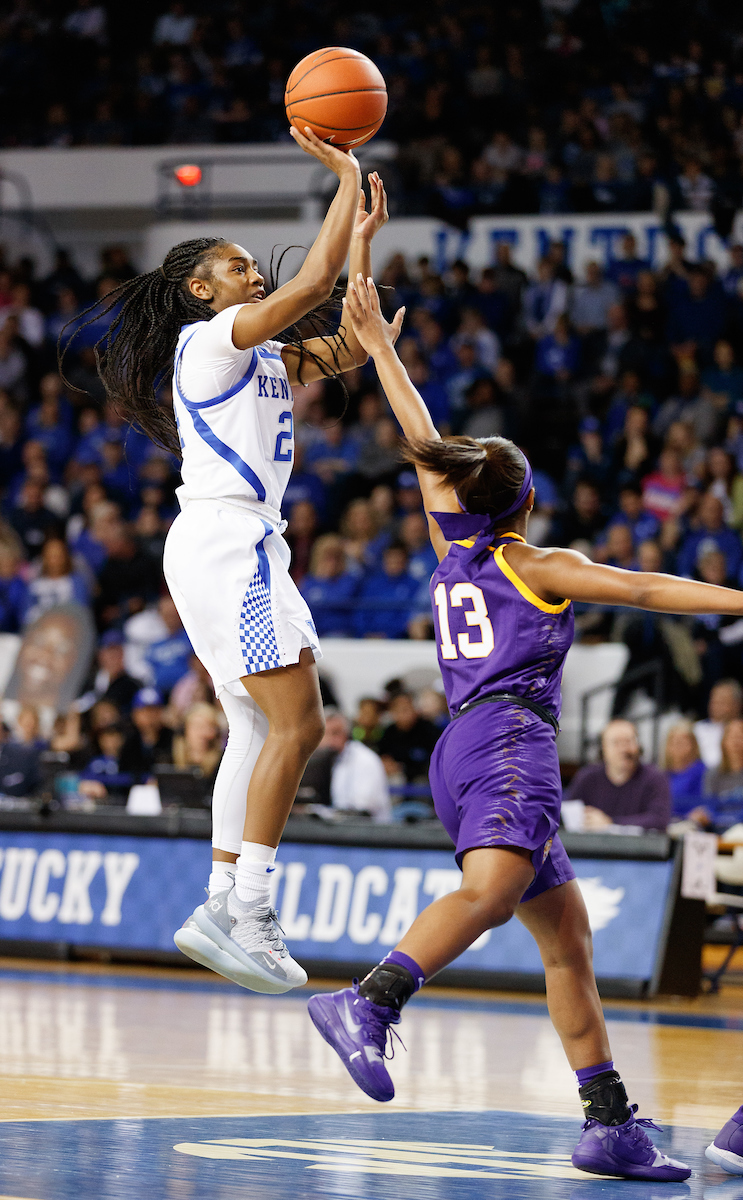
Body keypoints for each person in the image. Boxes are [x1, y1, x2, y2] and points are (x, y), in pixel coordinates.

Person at [307, 271, 743, 1183]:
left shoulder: (449, 546)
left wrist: (381, 351)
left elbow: (424, 444)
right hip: (510, 740)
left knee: (566, 940)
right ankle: (372, 1000)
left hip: (460, 745)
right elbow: (643, 587)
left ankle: (607, 1123)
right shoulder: (534, 564)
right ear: (526, 502)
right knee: (492, 894)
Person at [68, 126, 396, 996]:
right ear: (200, 288)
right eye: (238, 266)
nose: (254, 274)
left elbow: (349, 341)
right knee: (301, 725)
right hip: (229, 540)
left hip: (223, 543)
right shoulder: (210, 341)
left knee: (254, 729)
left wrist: (362, 240)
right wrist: (345, 178)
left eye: (255, 266)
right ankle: (250, 906)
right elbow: (312, 287)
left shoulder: (262, 354)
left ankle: (220, 899)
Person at [565, 719, 671, 831]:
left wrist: (610, 823)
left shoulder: (654, 778)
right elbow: (567, 815)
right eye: (616, 743)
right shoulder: (587, 777)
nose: (624, 749)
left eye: (629, 741)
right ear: (603, 748)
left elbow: (659, 820)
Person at [317, 708, 391, 821]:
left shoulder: (366, 760)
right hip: (335, 826)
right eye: (325, 734)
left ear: (347, 733)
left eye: (335, 733)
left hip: (368, 828)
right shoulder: (323, 760)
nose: (329, 739)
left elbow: (363, 809)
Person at [702, 718, 743, 831]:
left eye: (740, 737)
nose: (736, 742)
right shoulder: (713, 774)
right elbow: (709, 807)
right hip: (718, 828)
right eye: (732, 737)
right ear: (723, 742)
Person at [663, 720, 706, 821]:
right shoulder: (662, 775)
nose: (678, 746)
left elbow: (704, 806)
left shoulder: (703, 772)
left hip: (691, 824)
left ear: (694, 745)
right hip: (665, 822)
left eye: (683, 742)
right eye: (674, 742)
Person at [694, 677, 743, 768]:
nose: (715, 705)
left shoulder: (740, 731)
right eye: (713, 700)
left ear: (737, 705)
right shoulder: (696, 729)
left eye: (722, 701)